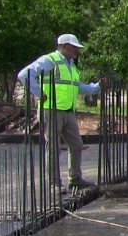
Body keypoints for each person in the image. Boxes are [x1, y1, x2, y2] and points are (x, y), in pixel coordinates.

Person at [17, 34, 103, 192]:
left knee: (76, 145)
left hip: (68, 111)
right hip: (51, 110)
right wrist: (38, 93)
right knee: (53, 148)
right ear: (64, 46)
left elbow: (77, 87)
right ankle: (53, 184)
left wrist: (96, 87)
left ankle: (75, 179)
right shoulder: (49, 60)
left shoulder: (71, 65)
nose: (77, 50)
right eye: (74, 47)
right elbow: (24, 75)